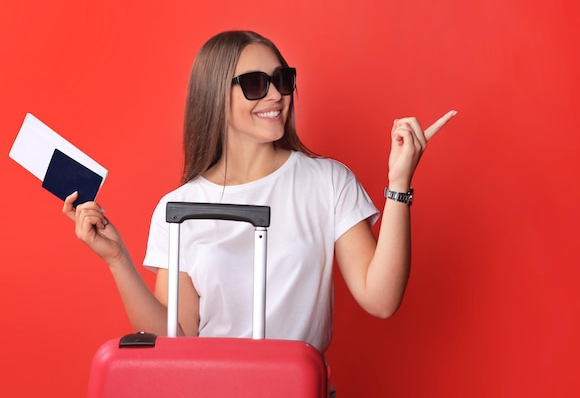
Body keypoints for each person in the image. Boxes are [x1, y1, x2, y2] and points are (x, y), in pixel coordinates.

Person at [63, 30, 456, 356]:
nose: (275, 96)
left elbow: (381, 298)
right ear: (216, 97)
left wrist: (398, 182)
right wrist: (116, 259)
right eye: (255, 84)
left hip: (296, 387)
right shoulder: (179, 207)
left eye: (282, 80)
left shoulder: (327, 182)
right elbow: (176, 337)